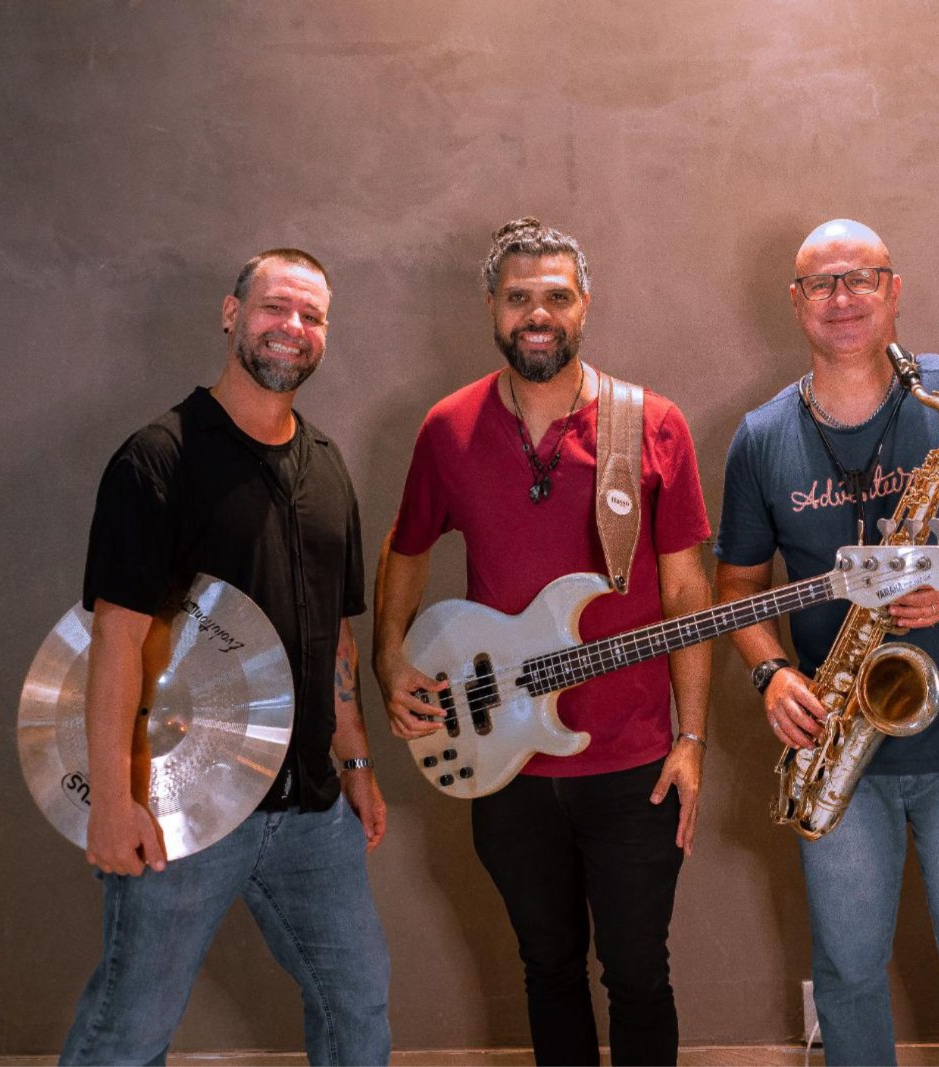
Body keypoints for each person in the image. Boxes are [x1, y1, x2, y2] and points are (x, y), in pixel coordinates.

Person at [373, 217, 712, 1066]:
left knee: (638, 974)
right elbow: (405, 548)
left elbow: (685, 593)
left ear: (584, 304)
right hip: (504, 758)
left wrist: (692, 738)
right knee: (547, 966)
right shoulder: (447, 428)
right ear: (492, 306)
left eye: (556, 296)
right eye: (518, 297)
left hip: (634, 762)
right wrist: (388, 655)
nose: (538, 314)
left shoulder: (653, 423)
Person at [714, 219, 939, 1066]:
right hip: (838, 746)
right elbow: (737, 587)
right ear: (796, 302)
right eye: (822, 283)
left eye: (861, 277)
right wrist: (770, 673)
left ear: (895, 291)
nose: (843, 298)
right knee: (848, 973)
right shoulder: (762, 437)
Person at [62, 249, 391, 1065]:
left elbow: (334, 633)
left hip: (311, 810)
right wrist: (112, 799)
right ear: (232, 313)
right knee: (129, 1029)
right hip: (183, 805)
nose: (292, 327)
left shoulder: (328, 467)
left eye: (312, 316)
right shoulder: (159, 457)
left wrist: (355, 761)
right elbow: (116, 637)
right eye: (276, 307)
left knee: (357, 1006)